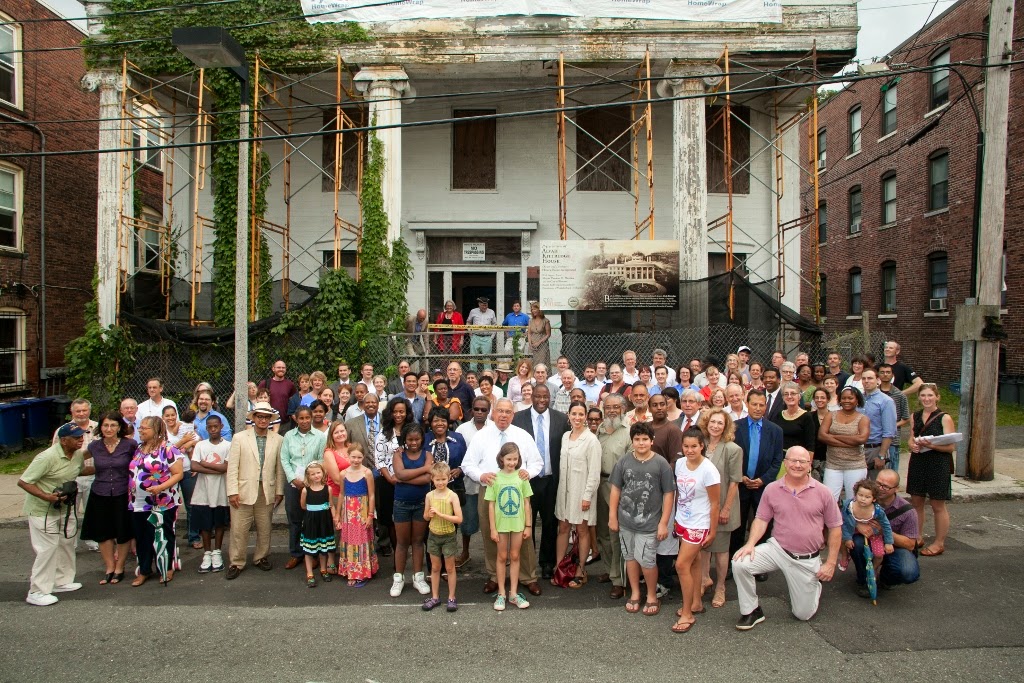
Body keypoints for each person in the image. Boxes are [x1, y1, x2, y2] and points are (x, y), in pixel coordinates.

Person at [732, 446, 842, 630]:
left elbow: (835, 528)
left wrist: (830, 563)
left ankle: (814, 584)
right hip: (777, 549)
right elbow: (761, 519)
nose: (797, 465)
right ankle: (751, 610)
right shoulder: (772, 489)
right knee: (740, 562)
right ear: (785, 463)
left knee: (802, 614)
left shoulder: (823, 492)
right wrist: (750, 544)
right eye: (793, 460)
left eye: (802, 462)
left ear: (809, 465)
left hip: (805, 558)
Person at [462, 398, 543, 596]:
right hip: (490, 493)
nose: (504, 415)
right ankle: (493, 576)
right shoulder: (481, 436)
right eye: (500, 411)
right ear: (493, 413)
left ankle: (528, 576)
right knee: (492, 535)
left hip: (517, 492)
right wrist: (481, 475)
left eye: (508, 412)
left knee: (522, 537)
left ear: (513, 414)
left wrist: (528, 473)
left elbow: (537, 463)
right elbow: (467, 464)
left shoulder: (522, 436)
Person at [19, 422, 94, 606]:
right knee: (47, 549)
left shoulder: (76, 455)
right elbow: (24, 482)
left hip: (64, 508)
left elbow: (80, 470)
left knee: (66, 543)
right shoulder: (46, 457)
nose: (80, 440)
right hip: (42, 510)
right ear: (63, 440)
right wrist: (47, 496)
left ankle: (61, 580)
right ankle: (37, 591)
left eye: (81, 436)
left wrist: (109, 468)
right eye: (76, 438)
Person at [609, 422, 674, 617]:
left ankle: (652, 595)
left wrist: (663, 523)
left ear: (652, 441)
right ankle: (635, 592)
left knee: (647, 560)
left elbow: (669, 494)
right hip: (626, 522)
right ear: (632, 441)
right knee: (630, 558)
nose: (641, 443)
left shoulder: (661, 464)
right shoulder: (624, 462)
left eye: (645, 439)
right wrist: (613, 516)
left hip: (649, 523)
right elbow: (616, 489)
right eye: (637, 439)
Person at [513, 383, 569, 580]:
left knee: (549, 522)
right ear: (531, 397)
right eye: (538, 396)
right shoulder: (518, 419)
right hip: (526, 480)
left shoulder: (561, 419)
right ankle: (528, 564)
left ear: (550, 398)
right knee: (526, 523)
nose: (542, 400)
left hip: (551, 480)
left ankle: (547, 563)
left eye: (545, 397)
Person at [225, 402, 285, 580]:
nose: (263, 420)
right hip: (243, 489)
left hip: (266, 489)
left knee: (265, 526)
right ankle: (236, 561)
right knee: (238, 528)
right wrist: (232, 491)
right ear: (254, 418)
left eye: (266, 417)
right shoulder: (240, 437)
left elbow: (278, 469)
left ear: (270, 420)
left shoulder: (278, 439)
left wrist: (279, 491)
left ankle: (261, 557)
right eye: (260, 416)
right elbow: (233, 466)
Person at [671, 428, 721, 633]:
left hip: (699, 523)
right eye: (686, 446)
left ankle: (687, 614)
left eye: (694, 446)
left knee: (681, 565)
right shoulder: (680, 463)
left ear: (702, 446)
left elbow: (715, 503)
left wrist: (713, 531)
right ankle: (696, 603)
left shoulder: (709, 470)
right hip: (682, 519)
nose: (690, 450)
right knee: (695, 562)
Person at [128, 416, 186, 587]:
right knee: (142, 536)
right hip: (138, 502)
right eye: (140, 428)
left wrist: (160, 487)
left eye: (145, 428)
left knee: (163, 535)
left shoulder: (168, 450)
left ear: (157, 430)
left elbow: (178, 474)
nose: (141, 431)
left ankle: (166, 567)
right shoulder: (138, 449)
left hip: (162, 501)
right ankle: (145, 569)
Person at [729, 390, 785, 558]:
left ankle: (760, 562)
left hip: (763, 486)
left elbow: (777, 460)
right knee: (738, 525)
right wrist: (740, 476)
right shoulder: (735, 427)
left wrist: (763, 479)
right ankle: (734, 559)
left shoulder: (775, 430)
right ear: (747, 404)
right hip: (740, 484)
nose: (758, 408)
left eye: (762, 405)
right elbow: (730, 457)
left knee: (763, 524)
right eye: (754, 404)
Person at [81, 413, 136, 584]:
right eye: (105, 425)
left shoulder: (130, 445)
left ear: (119, 427)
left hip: (122, 493)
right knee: (103, 533)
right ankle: (109, 567)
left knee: (123, 532)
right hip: (100, 493)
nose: (109, 429)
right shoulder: (95, 446)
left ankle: (120, 567)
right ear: (101, 427)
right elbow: (76, 461)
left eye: (113, 425)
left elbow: (140, 464)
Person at [552, 401, 602, 589]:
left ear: (586, 417)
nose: (577, 418)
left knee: (582, 530)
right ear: (569, 415)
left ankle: (581, 570)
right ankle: (559, 568)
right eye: (574, 414)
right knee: (563, 528)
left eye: (581, 414)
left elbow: (594, 473)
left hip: (582, 493)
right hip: (564, 492)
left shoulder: (591, 441)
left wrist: (587, 496)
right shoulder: (566, 436)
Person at [697, 408, 742, 609]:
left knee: (722, 551)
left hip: (724, 505)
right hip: (703, 507)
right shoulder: (701, 445)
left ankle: (721, 587)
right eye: (712, 422)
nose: (715, 426)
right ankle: (705, 578)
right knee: (704, 547)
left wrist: (726, 509)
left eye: (720, 423)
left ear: (726, 427)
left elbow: (734, 481)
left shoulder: (733, 449)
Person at [851, 469, 921, 594]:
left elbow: (910, 544)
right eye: (878, 484)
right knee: (855, 543)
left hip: (895, 548)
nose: (880, 488)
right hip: (870, 543)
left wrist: (884, 532)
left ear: (896, 489)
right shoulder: (864, 498)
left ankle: (886, 579)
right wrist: (858, 524)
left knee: (909, 572)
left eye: (886, 487)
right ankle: (864, 579)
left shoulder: (908, 511)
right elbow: (845, 516)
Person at [908, 383, 956, 557]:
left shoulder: (944, 418)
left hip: (938, 463)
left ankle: (939, 542)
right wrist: (912, 445)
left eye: (930, 395)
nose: (926, 399)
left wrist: (932, 445)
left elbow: (950, 447)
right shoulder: (915, 416)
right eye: (923, 396)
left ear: (937, 397)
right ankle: (917, 536)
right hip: (919, 461)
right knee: (916, 501)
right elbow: (911, 438)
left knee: (937, 504)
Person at [486, 442, 534, 611]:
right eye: (508, 459)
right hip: (501, 525)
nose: (512, 462)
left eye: (515, 459)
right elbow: (491, 505)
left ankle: (513, 593)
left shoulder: (521, 478)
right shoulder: (495, 478)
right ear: (501, 458)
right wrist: (492, 528)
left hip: (518, 524)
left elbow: (527, 503)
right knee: (501, 556)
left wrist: (528, 525)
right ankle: (501, 593)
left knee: (514, 556)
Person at [281, 406, 329, 571]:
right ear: (295, 419)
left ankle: (314, 554)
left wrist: (311, 479)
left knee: (312, 519)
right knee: (295, 519)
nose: (304, 421)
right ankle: (296, 553)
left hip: (313, 485)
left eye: (307, 418)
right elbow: (285, 459)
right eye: (301, 418)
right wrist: (293, 478)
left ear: (311, 418)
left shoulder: (319, 437)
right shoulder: (288, 436)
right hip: (294, 483)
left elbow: (322, 459)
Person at [390, 424, 433, 598]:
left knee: (417, 541)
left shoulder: (427, 454)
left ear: (422, 439)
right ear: (404, 440)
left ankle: (418, 577)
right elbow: (399, 474)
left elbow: (428, 478)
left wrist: (404, 478)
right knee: (401, 542)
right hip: (401, 503)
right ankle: (398, 579)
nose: (414, 442)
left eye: (417, 439)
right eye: (410, 439)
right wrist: (423, 470)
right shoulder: (398, 454)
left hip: (422, 503)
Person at [594, 395, 630, 597]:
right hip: (598, 484)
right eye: (608, 407)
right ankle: (610, 570)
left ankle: (620, 579)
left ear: (623, 408)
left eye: (616, 407)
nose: (612, 410)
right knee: (603, 533)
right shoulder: (599, 430)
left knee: (616, 533)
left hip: (618, 487)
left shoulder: (628, 431)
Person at [189, 413, 231, 574]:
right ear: (206, 429)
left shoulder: (227, 445)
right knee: (205, 525)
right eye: (210, 427)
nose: (213, 429)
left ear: (221, 427)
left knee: (219, 523)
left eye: (216, 426)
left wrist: (204, 464)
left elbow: (225, 468)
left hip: (220, 491)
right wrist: (215, 469)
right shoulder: (200, 445)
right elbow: (193, 466)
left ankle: (217, 552)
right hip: (203, 492)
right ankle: (207, 553)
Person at [454, 396, 493, 567]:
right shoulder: (462, 429)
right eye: (476, 409)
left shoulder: (494, 428)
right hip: (469, 483)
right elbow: (460, 454)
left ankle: (492, 555)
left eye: (483, 410)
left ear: (488, 411)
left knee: (491, 522)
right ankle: (465, 552)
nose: (479, 412)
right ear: (471, 410)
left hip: (490, 483)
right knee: (467, 521)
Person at [422, 462, 464, 612]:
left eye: (443, 479)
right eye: (437, 480)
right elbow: (425, 517)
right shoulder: (429, 496)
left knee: (450, 568)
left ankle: (451, 597)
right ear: (432, 479)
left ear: (448, 478)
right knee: (435, 567)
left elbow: (459, 519)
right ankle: (435, 597)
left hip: (448, 536)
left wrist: (440, 515)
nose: (440, 483)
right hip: (433, 535)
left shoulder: (452, 496)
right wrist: (429, 515)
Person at [335, 443, 378, 586]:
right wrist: (338, 514)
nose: (356, 460)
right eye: (353, 457)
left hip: (362, 511)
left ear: (363, 457)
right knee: (350, 540)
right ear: (348, 456)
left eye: (359, 457)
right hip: (348, 512)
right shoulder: (343, 474)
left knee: (362, 540)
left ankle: (362, 571)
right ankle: (352, 572)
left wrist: (370, 515)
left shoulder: (367, 473)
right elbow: (341, 494)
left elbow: (371, 495)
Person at [818, 387, 870, 503]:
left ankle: (851, 521)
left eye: (850, 398)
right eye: (844, 398)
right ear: (839, 400)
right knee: (829, 499)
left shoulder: (863, 418)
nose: (847, 401)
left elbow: (862, 439)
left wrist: (834, 436)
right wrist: (851, 441)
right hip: (833, 465)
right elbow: (822, 436)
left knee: (854, 500)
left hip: (855, 465)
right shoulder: (831, 415)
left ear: (857, 400)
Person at [839, 478, 894, 579]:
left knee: (879, 554)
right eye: (860, 495)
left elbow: (886, 525)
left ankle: (873, 569)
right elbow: (844, 522)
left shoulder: (877, 511)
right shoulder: (848, 506)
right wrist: (848, 538)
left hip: (872, 533)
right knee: (839, 538)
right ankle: (845, 555)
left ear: (874, 499)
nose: (863, 499)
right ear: (855, 495)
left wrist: (888, 542)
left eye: (867, 497)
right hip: (853, 529)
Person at [162, 405, 201, 550]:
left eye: (173, 415)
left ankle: (194, 537)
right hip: (169, 473)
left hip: (187, 470)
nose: (171, 418)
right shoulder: (161, 432)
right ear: (163, 417)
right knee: (169, 506)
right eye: (167, 415)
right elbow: (166, 451)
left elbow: (198, 440)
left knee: (192, 506)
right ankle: (168, 537)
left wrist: (189, 442)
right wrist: (184, 441)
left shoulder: (185, 427)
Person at [298, 462, 336, 587]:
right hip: (311, 522)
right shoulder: (305, 490)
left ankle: (323, 569)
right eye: (312, 474)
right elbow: (303, 506)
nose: (316, 476)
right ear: (308, 476)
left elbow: (331, 505)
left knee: (323, 548)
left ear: (323, 473)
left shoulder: (328, 489)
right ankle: (309, 573)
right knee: (309, 550)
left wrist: (335, 518)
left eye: (318, 473)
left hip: (324, 521)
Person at [860, 368, 898, 479]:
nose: (866, 381)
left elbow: (889, 432)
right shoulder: (858, 399)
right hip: (858, 449)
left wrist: (881, 456)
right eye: (864, 378)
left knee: (876, 487)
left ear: (878, 381)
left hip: (875, 449)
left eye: (870, 378)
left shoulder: (886, 401)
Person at [877, 363, 911, 473]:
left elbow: (906, 418)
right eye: (882, 372)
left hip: (893, 440)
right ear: (878, 375)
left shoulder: (900, 395)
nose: (885, 375)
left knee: (891, 470)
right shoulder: (873, 393)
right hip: (875, 438)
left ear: (892, 375)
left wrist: (891, 426)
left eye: (888, 372)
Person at [772, 382, 817, 456]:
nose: (789, 396)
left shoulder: (806, 417)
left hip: (798, 460)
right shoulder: (778, 415)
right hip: (779, 459)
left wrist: (808, 464)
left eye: (793, 393)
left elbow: (810, 446)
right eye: (786, 394)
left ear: (799, 396)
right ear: (783, 397)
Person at [466, 296, 498, 373]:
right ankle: (473, 376)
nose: (484, 306)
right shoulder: (473, 311)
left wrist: (492, 337)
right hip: (475, 337)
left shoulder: (491, 312)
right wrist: (470, 333)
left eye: (486, 305)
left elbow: (495, 324)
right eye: (483, 305)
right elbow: (468, 322)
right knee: (473, 358)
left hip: (487, 338)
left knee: (486, 359)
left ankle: (487, 375)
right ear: (479, 304)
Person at [527, 302, 551, 368]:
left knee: (542, 363)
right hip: (532, 345)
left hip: (542, 345)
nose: (533, 311)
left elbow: (548, 334)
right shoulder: (530, 320)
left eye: (535, 309)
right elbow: (529, 333)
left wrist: (539, 343)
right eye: (532, 309)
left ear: (539, 309)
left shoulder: (545, 321)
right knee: (531, 362)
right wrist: (530, 343)